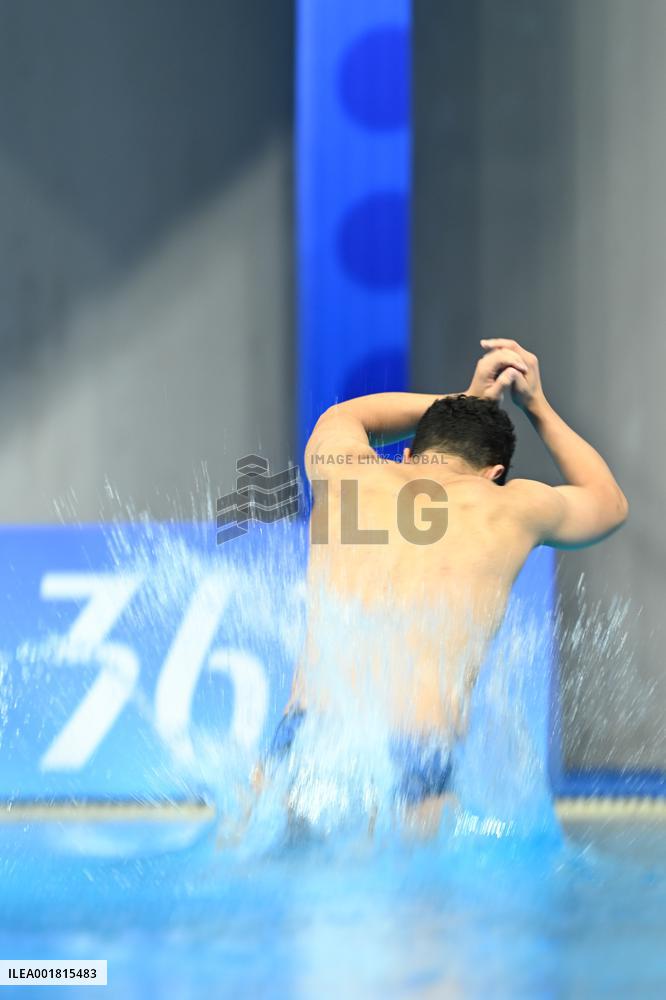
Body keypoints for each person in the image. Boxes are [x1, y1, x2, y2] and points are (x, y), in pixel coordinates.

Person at [250, 339, 628, 835]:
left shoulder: (345, 471)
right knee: (415, 907)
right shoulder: (513, 505)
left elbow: (346, 416)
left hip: (313, 732)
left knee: (282, 884)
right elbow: (608, 503)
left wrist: (463, 400)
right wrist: (535, 405)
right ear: (495, 474)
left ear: (409, 453)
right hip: (419, 744)